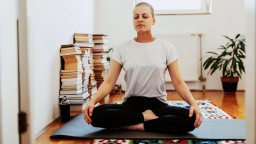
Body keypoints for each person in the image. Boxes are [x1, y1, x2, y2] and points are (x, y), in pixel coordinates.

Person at [82, 2, 202, 134]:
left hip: (158, 104)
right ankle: (147, 120)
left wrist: (194, 104)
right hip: (131, 104)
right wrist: (92, 101)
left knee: (191, 118)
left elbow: (178, 82)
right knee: (95, 114)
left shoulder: (166, 47)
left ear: (153, 20)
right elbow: (109, 82)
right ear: (133, 21)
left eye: (145, 16)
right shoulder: (122, 48)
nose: (140, 19)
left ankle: (135, 126)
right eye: (136, 17)